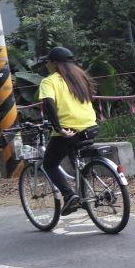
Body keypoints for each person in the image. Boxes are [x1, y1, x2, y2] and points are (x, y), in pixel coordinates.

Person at [36, 47, 98, 215]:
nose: (46, 64)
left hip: (69, 131)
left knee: (49, 164)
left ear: (54, 63)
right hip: (91, 127)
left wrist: (59, 128)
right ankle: (83, 194)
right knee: (75, 159)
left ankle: (69, 195)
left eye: (47, 61)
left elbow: (48, 104)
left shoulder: (49, 81)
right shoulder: (81, 78)